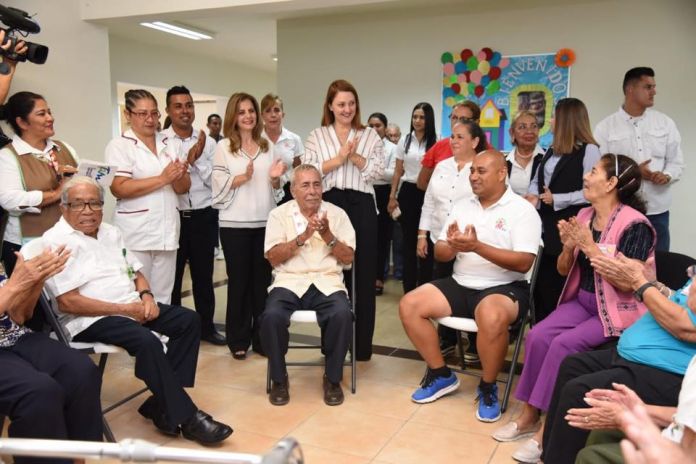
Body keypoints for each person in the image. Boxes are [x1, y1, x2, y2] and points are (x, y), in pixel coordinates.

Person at [43, 176, 232, 445]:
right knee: (145, 340)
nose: (88, 211)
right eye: (78, 204)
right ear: (64, 207)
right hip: (89, 318)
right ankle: (188, 418)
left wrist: (146, 296)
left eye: (95, 203)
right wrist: (126, 309)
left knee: (188, 320)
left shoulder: (110, 232)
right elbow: (68, 302)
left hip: (130, 305)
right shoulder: (55, 241)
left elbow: (135, 271)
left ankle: (161, 403)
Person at [493, 154, 656, 463]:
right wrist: (568, 247)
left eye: (593, 171)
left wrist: (590, 247)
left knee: (563, 345)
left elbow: (627, 283)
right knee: (538, 335)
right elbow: (562, 269)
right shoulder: (584, 215)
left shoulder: (636, 225)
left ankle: (546, 436)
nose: (586, 176)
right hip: (582, 301)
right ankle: (529, 416)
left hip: (616, 309)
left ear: (611, 183)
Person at [399, 150, 541, 422]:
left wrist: (477, 247)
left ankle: (488, 387)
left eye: (481, 171)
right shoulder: (463, 206)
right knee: (409, 305)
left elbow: (524, 262)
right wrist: (453, 246)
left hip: (504, 286)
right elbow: (440, 253)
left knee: (491, 315)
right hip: (460, 282)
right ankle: (441, 374)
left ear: (502, 174)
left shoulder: (522, 210)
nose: (473, 176)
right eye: (472, 171)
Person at [539, 256, 696, 463]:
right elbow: (681, 301)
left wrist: (640, 283)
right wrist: (656, 285)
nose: (691, 278)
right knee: (572, 365)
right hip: (637, 355)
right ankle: (549, 455)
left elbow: (685, 326)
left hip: (667, 369)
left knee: (580, 391)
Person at [302, 79, 384, 361]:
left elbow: (377, 173)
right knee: (332, 273)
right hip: (330, 205)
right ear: (330, 106)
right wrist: (338, 159)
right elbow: (309, 171)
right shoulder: (317, 135)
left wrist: (355, 157)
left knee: (363, 275)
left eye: (351, 103)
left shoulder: (370, 135)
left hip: (362, 206)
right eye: (341, 104)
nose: (347, 109)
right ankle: (332, 345)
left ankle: (361, 348)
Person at [260, 164, 356, 406]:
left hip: (327, 280)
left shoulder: (338, 214)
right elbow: (272, 257)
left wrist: (328, 236)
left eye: (316, 184)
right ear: (293, 191)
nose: (312, 191)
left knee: (342, 314)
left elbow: (348, 258)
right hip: (289, 281)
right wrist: (302, 237)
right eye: (305, 185)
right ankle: (279, 379)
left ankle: (332, 379)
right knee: (271, 316)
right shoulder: (278, 215)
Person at [0, 245, 104, 464]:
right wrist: (14, 285)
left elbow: (19, 317)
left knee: (81, 371)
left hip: (14, 337)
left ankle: (78, 458)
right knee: (38, 391)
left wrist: (37, 281)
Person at [212, 92, 286, 360]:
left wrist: (276, 179)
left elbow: (277, 188)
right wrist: (242, 177)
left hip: (265, 224)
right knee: (239, 283)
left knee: (262, 284)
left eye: (251, 111)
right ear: (234, 116)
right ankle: (238, 339)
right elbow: (217, 185)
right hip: (234, 226)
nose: (248, 116)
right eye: (242, 112)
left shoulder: (267, 146)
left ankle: (262, 339)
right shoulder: (224, 147)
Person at [106, 89, 190, 305]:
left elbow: (183, 188)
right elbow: (119, 188)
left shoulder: (171, 143)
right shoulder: (119, 145)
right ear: (128, 114)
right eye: (142, 114)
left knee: (164, 295)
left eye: (154, 113)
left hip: (167, 229)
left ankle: (163, 327)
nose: (150, 119)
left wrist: (178, 176)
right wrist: (163, 178)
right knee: (136, 294)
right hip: (136, 232)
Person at [526, 97, 601, 322]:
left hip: (567, 227)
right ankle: (540, 331)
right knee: (541, 288)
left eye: (554, 116)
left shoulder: (590, 150)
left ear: (566, 120)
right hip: (543, 226)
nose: (550, 120)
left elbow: (591, 192)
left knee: (558, 287)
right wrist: (532, 196)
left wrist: (557, 199)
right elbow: (537, 181)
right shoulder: (551, 149)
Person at [594, 67, 684, 252]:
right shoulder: (605, 127)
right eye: (648, 87)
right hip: (620, 208)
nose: (654, 92)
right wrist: (635, 172)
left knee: (658, 262)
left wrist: (666, 175)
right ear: (630, 89)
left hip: (657, 210)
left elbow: (677, 162)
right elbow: (601, 171)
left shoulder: (665, 123)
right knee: (620, 260)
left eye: (654, 87)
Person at [418, 121, 487, 357]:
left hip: (472, 243)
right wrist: (422, 235)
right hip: (442, 240)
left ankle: (476, 343)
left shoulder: (483, 167)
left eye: (460, 137)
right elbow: (429, 202)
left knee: (473, 289)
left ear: (475, 141)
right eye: (452, 136)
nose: (454, 141)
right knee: (444, 289)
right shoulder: (442, 166)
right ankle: (446, 339)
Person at [163, 86, 224, 346]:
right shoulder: (161, 141)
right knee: (173, 278)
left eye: (188, 105)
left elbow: (215, 181)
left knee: (203, 276)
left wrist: (196, 159)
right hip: (173, 216)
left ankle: (206, 328)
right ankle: (175, 330)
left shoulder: (208, 142)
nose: (184, 111)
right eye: (178, 106)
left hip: (203, 215)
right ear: (168, 110)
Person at [0, 92, 78, 275]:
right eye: (42, 114)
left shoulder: (64, 148)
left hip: (68, 240)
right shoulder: (7, 156)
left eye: (49, 112)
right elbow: (10, 200)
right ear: (22, 122)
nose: (50, 118)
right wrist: (57, 193)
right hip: (29, 245)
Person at [388, 102, 437, 294]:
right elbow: (398, 171)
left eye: (422, 117)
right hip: (408, 192)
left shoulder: (437, 141)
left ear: (429, 119)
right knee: (408, 243)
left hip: (428, 193)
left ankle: (425, 288)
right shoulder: (404, 140)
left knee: (427, 242)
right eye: (415, 117)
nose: (417, 120)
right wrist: (392, 196)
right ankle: (409, 289)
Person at [416, 101, 481, 191]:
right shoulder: (439, 146)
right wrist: (441, 196)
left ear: (476, 122)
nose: (457, 122)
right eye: (454, 117)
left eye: (463, 119)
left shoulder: (487, 152)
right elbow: (422, 182)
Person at [367, 112, 397, 295]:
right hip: (365, 192)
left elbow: (393, 174)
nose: (374, 129)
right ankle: (364, 277)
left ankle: (378, 277)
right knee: (365, 237)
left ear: (385, 128)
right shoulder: (362, 147)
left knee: (382, 238)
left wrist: (370, 169)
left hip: (384, 193)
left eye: (378, 125)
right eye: (370, 125)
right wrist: (375, 170)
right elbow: (359, 171)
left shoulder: (392, 148)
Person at [260, 93, 304, 204]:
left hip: (287, 192)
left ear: (283, 114)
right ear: (262, 115)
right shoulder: (255, 139)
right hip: (260, 191)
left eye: (276, 110)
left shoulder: (294, 139)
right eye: (268, 111)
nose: (273, 115)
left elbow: (299, 170)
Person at [505, 110, 545, 196]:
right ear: (512, 132)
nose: (529, 131)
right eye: (522, 127)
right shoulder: (504, 163)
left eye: (534, 126)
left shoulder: (548, 158)